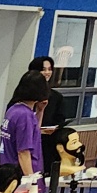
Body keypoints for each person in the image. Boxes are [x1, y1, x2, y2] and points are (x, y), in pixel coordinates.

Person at [28, 54, 69, 183]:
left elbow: (60, 118)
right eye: (43, 69)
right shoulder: (26, 95)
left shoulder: (56, 97)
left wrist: (55, 128)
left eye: (49, 69)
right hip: (28, 139)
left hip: (48, 141)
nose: (47, 72)